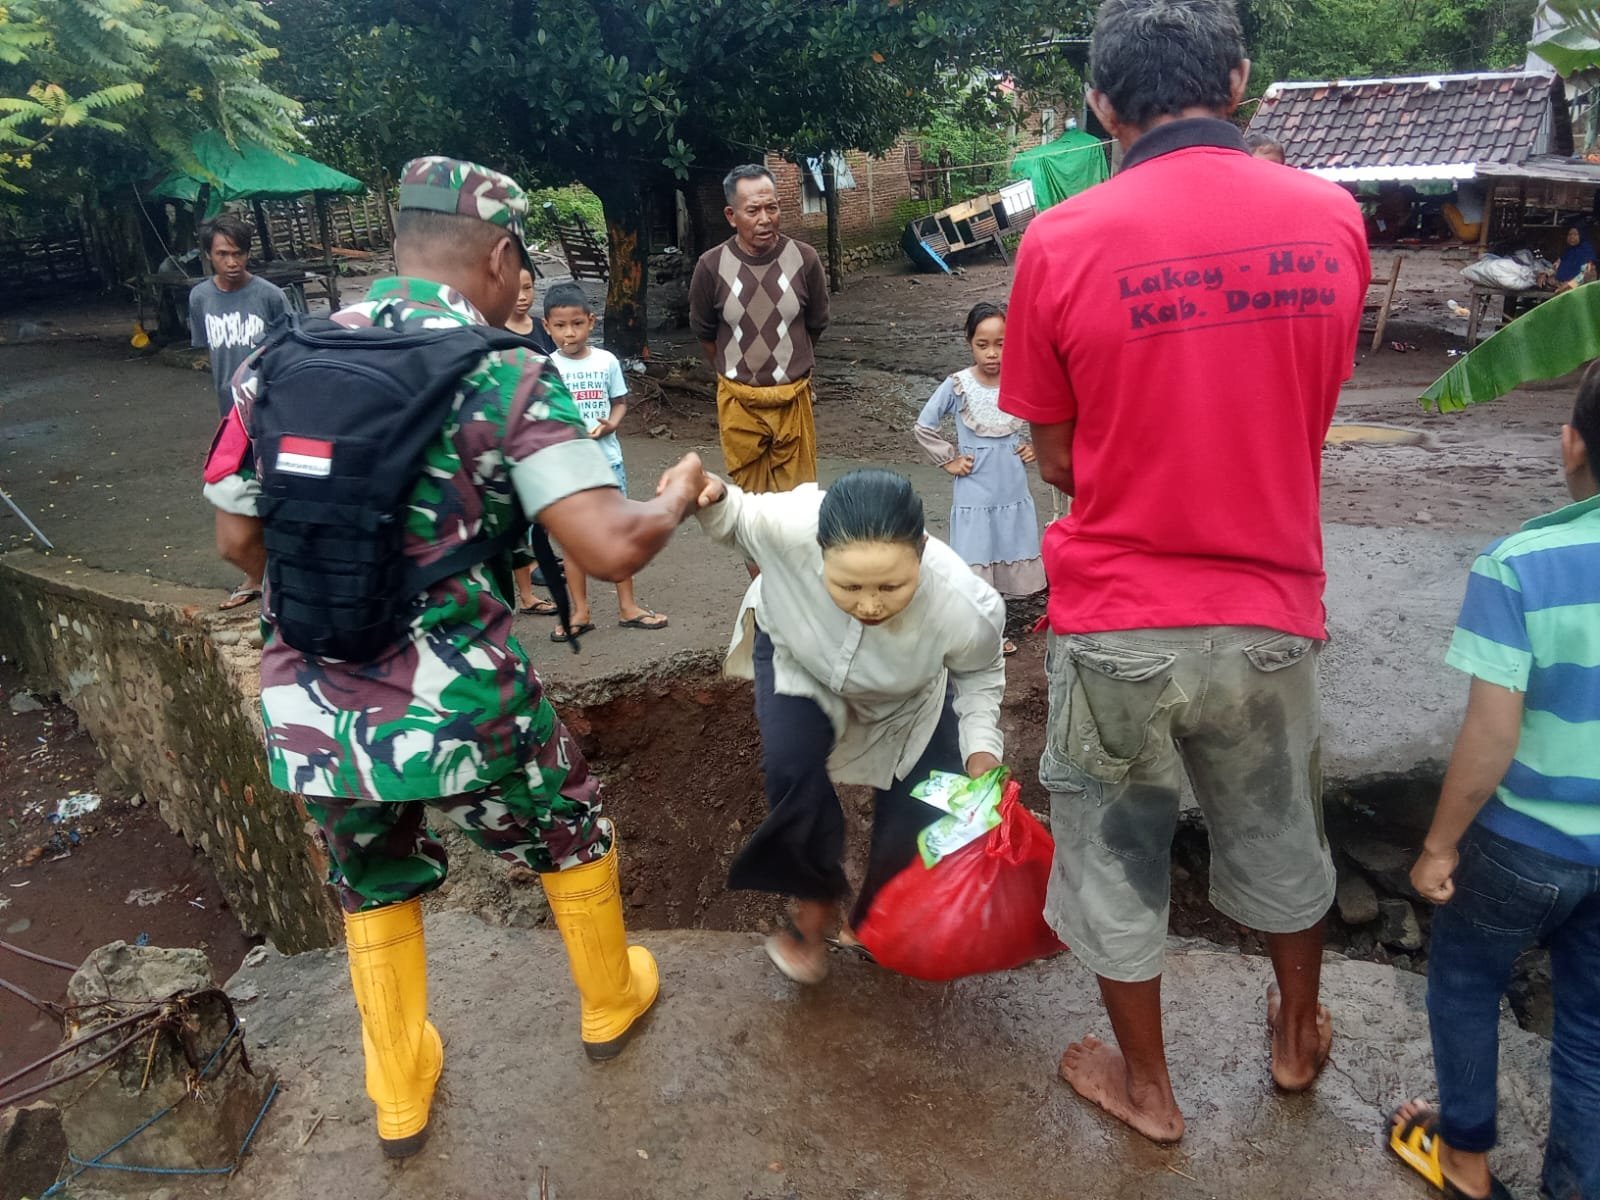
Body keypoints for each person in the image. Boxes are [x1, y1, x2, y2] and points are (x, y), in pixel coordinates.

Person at [201, 156, 711, 1158]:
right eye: (523, 275)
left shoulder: (279, 359)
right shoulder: (503, 370)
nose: (525, 294)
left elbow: (235, 543)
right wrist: (676, 495)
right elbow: (607, 546)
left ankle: (398, 1087)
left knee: (369, 872)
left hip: (309, 701)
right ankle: (609, 1000)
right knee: (565, 821)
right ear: (504, 254)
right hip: (458, 703)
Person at [999, 0, 1369, 1145]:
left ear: (1101, 103)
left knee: (1115, 861)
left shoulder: (1057, 241)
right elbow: (1308, 400)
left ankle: (1149, 1089)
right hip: (1271, 611)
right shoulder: (1332, 218)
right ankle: (1297, 1036)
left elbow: (1055, 454)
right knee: (1281, 837)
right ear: (1243, 79)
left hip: (1119, 621)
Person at [1387, 364, 1600, 1200]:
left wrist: (1439, 846)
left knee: (1468, 980)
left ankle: (1468, 1162)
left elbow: (1491, 734)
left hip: (1521, 844)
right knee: (1588, 1031)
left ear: (1571, 442)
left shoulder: (1520, 563)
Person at [680, 464, 1008, 984]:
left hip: (905, 696)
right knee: (793, 770)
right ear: (819, 551)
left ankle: (873, 922)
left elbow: (980, 674)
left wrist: (982, 749)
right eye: (849, 584)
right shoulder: (789, 525)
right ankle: (812, 911)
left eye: (891, 586)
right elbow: (731, 516)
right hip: (798, 661)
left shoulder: (964, 606)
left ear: (921, 554)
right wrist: (710, 495)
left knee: (922, 805)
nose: (870, 605)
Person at [689, 164, 830, 495]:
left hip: (793, 399)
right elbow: (705, 334)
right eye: (753, 210)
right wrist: (741, 374)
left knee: (798, 507)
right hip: (739, 403)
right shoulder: (711, 266)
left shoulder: (805, 260)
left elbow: (816, 326)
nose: (765, 218)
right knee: (751, 510)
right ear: (731, 215)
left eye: (772, 207)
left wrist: (787, 368)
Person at [540, 280, 669, 640]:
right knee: (572, 542)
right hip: (567, 470)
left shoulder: (606, 361)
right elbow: (542, 415)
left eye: (577, 323)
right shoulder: (545, 368)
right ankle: (579, 611)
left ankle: (628, 606)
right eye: (561, 326)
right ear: (547, 326)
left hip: (606, 463)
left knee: (617, 534)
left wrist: (610, 424)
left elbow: (620, 401)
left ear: (591, 322)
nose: (570, 333)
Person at [915, 301, 1044, 655]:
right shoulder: (957, 385)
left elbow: (1048, 412)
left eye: (1001, 344)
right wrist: (949, 460)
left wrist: (1036, 446)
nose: (992, 354)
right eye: (982, 344)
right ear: (969, 343)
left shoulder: (1022, 381)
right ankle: (983, 635)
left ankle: (994, 625)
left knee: (1004, 548)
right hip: (975, 490)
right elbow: (924, 425)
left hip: (1012, 485)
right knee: (977, 555)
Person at [189, 214, 289, 610]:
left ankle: (276, 576)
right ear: (209, 256)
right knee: (235, 495)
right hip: (230, 417)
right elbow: (210, 354)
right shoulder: (200, 298)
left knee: (272, 493)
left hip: (270, 412)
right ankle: (258, 575)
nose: (232, 262)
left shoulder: (270, 296)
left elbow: (288, 351)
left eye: (240, 253)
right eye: (223, 254)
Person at [1536, 222, 1597, 293]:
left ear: (1582, 236)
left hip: (1579, 289)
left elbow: (1583, 275)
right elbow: (1555, 267)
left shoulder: (1587, 252)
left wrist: (1568, 285)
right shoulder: (1568, 251)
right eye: (1569, 234)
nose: (1571, 237)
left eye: (1575, 234)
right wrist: (1545, 274)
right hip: (1562, 285)